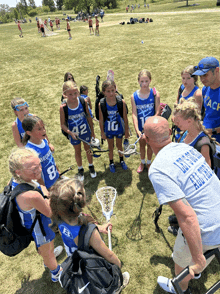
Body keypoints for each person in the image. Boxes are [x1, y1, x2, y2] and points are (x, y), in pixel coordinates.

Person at [144, 116, 220, 294]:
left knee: (180, 263)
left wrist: (198, 259)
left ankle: (181, 288)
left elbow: (187, 216)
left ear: (147, 140)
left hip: (208, 229)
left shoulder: (157, 170)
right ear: (170, 132)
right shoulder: (186, 147)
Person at [49, 178, 130, 292]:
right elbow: (109, 255)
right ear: (81, 201)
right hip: (91, 263)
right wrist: (118, 265)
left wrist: (99, 227)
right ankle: (115, 286)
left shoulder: (60, 217)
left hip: (74, 258)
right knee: (103, 280)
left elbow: (76, 227)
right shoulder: (89, 232)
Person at [8, 148, 63, 282]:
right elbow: (50, 212)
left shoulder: (17, 180)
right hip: (40, 227)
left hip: (33, 223)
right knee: (48, 248)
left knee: (44, 248)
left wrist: (43, 193)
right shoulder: (31, 195)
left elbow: (40, 187)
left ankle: (47, 258)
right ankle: (56, 273)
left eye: (39, 164)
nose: (39, 170)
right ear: (18, 172)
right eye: (34, 168)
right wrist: (49, 197)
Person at [60, 81, 97, 181]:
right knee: (77, 151)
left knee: (88, 149)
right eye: (70, 94)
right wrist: (70, 133)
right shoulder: (63, 107)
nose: (73, 96)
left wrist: (92, 132)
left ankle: (91, 166)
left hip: (85, 132)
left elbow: (89, 117)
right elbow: (62, 124)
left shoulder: (82, 101)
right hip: (74, 134)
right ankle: (80, 169)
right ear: (65, 94)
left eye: (75, 93)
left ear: (78, 92)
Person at [131, 69, 160, 173]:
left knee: (150, 146)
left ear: (150, 80)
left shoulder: (155, 94)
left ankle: (148, 162)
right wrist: (138, 130)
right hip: (140, 127)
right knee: (142, 145)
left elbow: (157, 112)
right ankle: (142, 162)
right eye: (142, 81)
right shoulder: (134, 96)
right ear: (138, 81)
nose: (144, 84)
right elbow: (134, 114)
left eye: (146, 81)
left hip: (151, 127)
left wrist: (150, 126)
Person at [99, 80, 129, 173]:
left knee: (119, 145)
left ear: (115, 89)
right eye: (108, 91)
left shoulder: (121, 102)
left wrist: (127, 130)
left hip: (119, 128)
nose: (111, 93)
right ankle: (111, 162)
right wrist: (102, 132)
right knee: (110, 146)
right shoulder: (102, 104)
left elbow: (125, 117)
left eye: (112, 90)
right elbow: (101, 120)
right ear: (104, 92)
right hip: (108, 129)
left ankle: (121, 160)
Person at [22, 116, 59, 190]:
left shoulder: (44, 140)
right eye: (39, 129)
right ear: (29, 133)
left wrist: (58, 171)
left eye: (43, 127)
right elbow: (36, 175)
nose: (44, 131)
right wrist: (45, 190)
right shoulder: (30, 151)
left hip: (56, 179)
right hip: (48, 186)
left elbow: (51, 160)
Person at [192, 56, 220, 143]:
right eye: (200, 76)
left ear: (217, 70)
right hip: (206, 137)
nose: (202, 79)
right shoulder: (205, 89)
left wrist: (212, 131)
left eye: (205, 75)